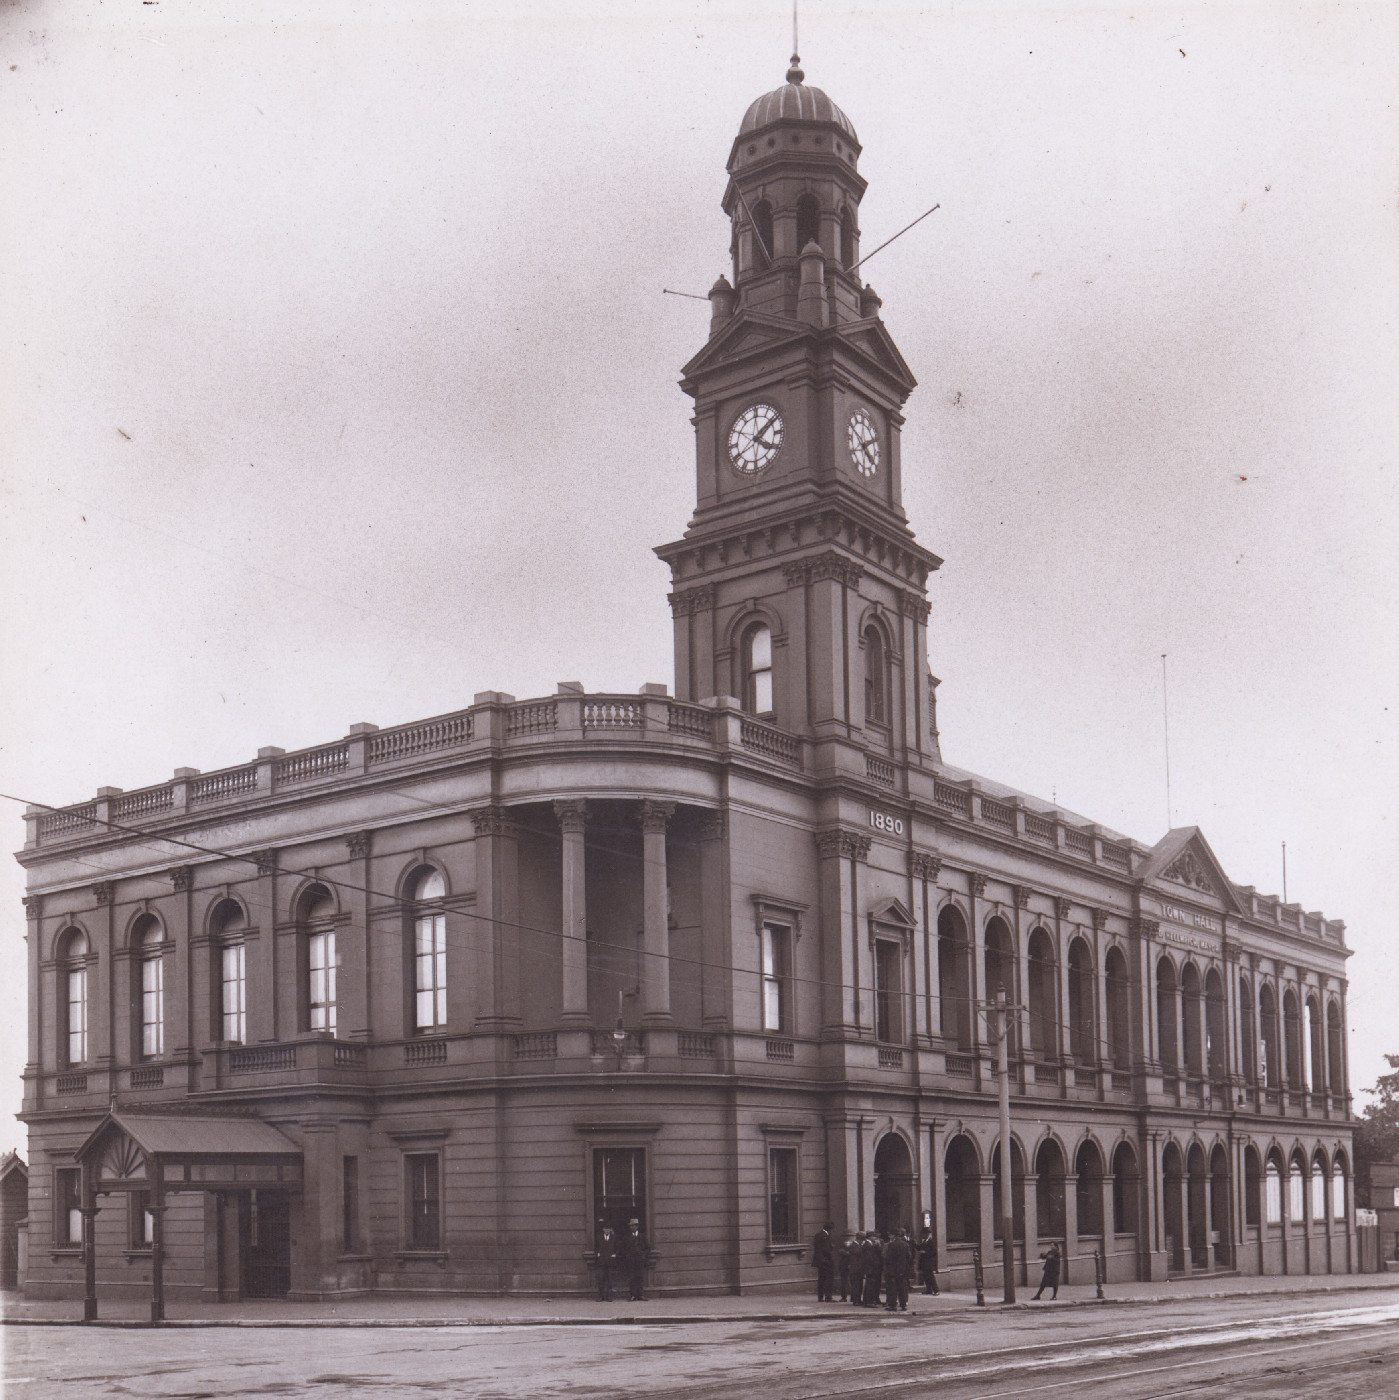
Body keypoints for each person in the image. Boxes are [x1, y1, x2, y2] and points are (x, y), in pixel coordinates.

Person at [883, 1227, 913, 1311]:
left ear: (894, 1236)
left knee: (893, 1288)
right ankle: (903, 1304)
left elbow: (888, 1258)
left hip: (893, 1270)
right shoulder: (905, 1244)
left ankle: (892, 1305)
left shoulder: (892, 1245)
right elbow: (909, 1257)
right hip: (903, 1270)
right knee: (902, 1287)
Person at [620, 1217, 649, 1301]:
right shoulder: (626, 1237)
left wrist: (643, 1255)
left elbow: (648, 1248)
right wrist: (627, 1256)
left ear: (637, 1226)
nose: (631, 1228)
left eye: (633, 1226)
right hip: (631, 1261)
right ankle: (633, 1295)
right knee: (631, 1277)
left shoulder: (642, 1236)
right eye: (631, 1226)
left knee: (640, 1277)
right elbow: (622, 1248)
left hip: (640, 1260)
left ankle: (640, 1295)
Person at [812, 1221, 836, 1301]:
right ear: (830, 1229)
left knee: (821, 1279)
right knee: (829, 1279)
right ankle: (828, 1297)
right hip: (826, 1261)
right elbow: (826, 1250)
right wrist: (832, 1249)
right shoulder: (825, 1236)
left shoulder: (818, 1235)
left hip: (820, 1261)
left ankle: (820, 1296)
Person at [861, 1231, 883, 1307]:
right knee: (870, 1285)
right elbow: (869, 1258)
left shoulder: (869, 1244)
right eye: (874, 1236)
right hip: (870, 1268)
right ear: (870, 1237)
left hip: (870, 1268)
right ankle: (869, 1302)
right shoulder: (868, 1245)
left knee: (870, 1284)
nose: (875, 1238)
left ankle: (868, 1301)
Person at [916, 1223, 939, 1295]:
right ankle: (928, 1289)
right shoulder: (924, 1241)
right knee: (925, 1276)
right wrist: (915, 1245)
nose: (923, 1235)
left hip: (929, 1263)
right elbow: (919, 1248)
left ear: (927, 1234)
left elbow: (934, 1252)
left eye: (924, 1234)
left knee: (930, 1276)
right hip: (924, 1262)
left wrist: (925, 1252)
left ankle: (936, 1290)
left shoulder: (931, 1242)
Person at [848, 1233, 866, 1305]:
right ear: (859, 1239)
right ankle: (856, 1300)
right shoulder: (853, 1246)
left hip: (858, 1269)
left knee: (859, 1285)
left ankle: (858, 1299)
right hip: (855, 1269)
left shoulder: (857, 1245)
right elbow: (858, 1253)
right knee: (856, 1285)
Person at [837, 1235, 854, 1302]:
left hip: (848, 1265)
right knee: (845, 1282)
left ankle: (850, 1297)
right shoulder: (841, 1245)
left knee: (851, 1282)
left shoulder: (853, 1244)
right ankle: (844, 1297)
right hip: (844, 1266)